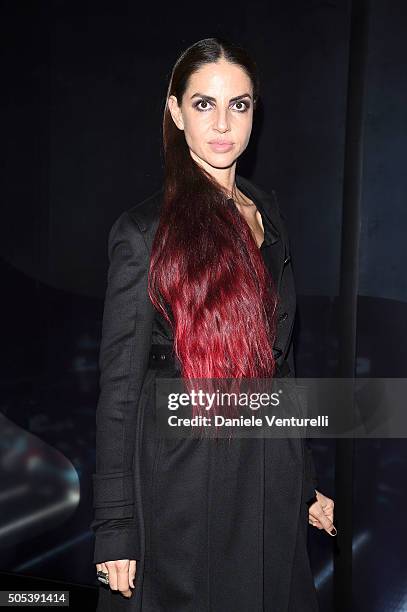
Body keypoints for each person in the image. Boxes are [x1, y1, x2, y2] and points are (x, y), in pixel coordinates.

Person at [90, 36, 336, 612]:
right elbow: (120, 391)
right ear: (175, 112)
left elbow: (281, 360)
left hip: (266, 467)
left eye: (239, 104)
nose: (223, 123)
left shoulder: (265, 212)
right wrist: (116, 525)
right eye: (204, 104)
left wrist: (303, 482)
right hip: (185, 472)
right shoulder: (144, 231)